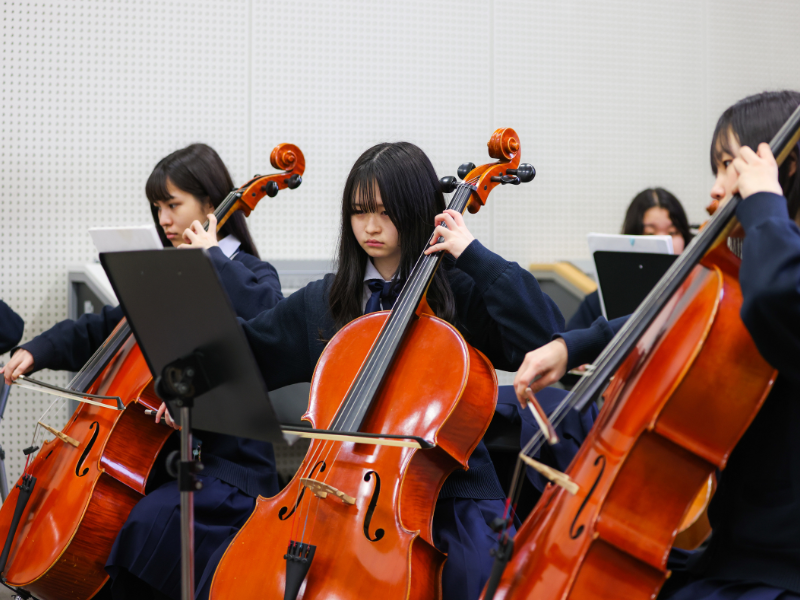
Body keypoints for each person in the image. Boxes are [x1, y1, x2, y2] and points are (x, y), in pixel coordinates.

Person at [202, 141, 565, 600]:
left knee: (470, 579)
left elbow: (548, 337)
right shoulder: (325, 302)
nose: (370, 227)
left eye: (385, 212)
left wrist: (475, 256)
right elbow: (245, 357)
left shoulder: (460, 292)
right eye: (358, 212)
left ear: (416, 212)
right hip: (327, 495)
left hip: (450, 497)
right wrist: (191, 394)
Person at [514, 90, 800, 600]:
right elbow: (678, 314)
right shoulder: (755, 266)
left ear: (782, 167)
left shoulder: (777, 273)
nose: (715, 191)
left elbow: (776, 300)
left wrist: (762, 207)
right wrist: (573, 345)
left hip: (775, 577)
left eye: (728, 167)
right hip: (729, 558)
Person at [1, 143, 284, 600]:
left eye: (174, 205)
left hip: (229, 467)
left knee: (147, 525)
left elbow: (269, 328)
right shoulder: (168, 272)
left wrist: (212, 259)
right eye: (158, 208)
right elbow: (104, 326)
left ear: (210, 204)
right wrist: (37, 350)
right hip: (165, 455)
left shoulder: (251, 273)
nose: (164, 221)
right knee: (108, 524)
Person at [567, 187, 693, 330]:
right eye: (650, 234)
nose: (664, 241)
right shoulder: (600, 300)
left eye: (673, 232)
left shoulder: (698, 289)